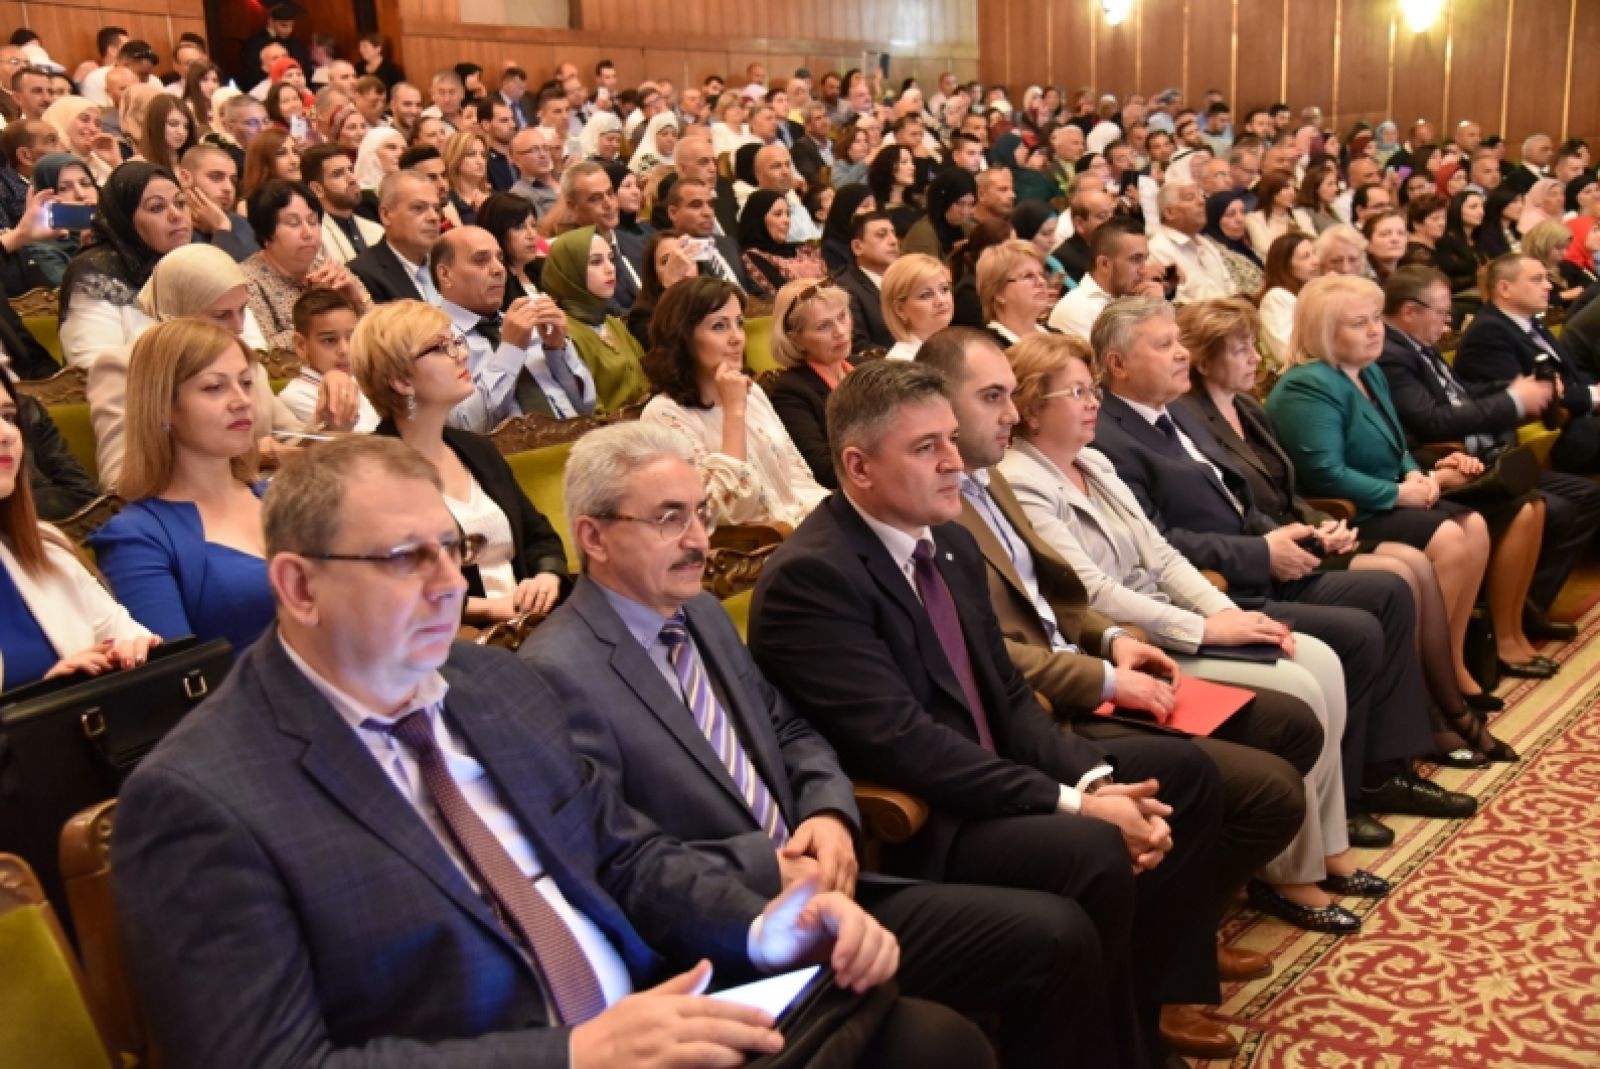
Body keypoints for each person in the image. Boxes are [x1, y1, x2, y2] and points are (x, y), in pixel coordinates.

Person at [113, 432, 984, 1068]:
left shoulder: (492, 684)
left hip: (648, 1016)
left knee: (932, 1038)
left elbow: (627, 857)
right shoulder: (200, 797)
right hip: (539, 1052)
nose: (450, 584)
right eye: (405, 558)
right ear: (300, 585)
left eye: (452, 549)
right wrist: (571, 1053)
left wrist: (761, 925)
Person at [521, 419, 1119, 1067]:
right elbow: (614, 854)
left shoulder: (700, 613)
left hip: (829, 882)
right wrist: (769, 867)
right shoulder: (556, 672)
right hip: (719, 933)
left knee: (1057, 937)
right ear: (593, 536)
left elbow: (791, 728)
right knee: (943, 1042)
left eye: (701, 512)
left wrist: (829, 813)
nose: (699, 540)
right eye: (669, 518)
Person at [748, 356, 1229, 1067]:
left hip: (990, 779)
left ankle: (1142, 1019)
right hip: (926, 819)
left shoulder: (948, 542)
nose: (954, 461)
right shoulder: (813, 577)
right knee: (1094, 847)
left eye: (950, 438)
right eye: (926, 447)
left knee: (1178, 774)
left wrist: (1096, 784)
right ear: (857, 466)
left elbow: (1006, 694)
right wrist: (1080, 806)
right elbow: (908, 744)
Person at [949, 325, 1366, 943]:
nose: (1093, 403)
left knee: (1314, 674)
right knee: (1293, 706)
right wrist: (1178, 634)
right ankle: (1244, 897)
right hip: (1120, 646)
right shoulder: (1015, 479)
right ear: (1036, 410)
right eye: (1077, 392)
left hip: (1124, 638)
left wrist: (1221, 615)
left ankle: (1313, 854)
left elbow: (1153, 557)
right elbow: (1084, 590)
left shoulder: (1084, 463)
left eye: (1093, 390)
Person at [1087, 296, 1478, 841]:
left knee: (1391, 591)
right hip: (1217, 589)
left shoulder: (1175, 412)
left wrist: (1299, 534)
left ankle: (1385, 768)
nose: (1181, 354)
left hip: (1257, 559)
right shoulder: (1109, 437)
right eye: (1164, 345)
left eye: (1179, 341)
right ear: (1117, 365)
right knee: (1363, 624)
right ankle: (1348, 795)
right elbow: (1158, 543)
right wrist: (1262, 552)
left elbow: (1239, 497)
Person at [1266, 274, 1545, 702]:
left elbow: (1397, 445)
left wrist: (1414, 473)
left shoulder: (1369, 372)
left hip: (1385, 499)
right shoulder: (1307, 385)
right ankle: (1423, 679)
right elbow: (1326, 475)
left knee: (1473, 525)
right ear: (1323, 330)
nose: (1375, 330)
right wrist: (1399, 493)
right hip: (1349, 515)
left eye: (1376, 318)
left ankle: (1452, 664)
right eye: (1359, 323)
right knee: (1450, 537)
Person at [1378, 265, 1599, 643]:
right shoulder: (1392, 354)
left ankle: (1524, 607)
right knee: (1550, 505)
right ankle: (1504, 619)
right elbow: (1432, 421)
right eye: (1442, 312)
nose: (1449, 322)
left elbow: (1460, 395)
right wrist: (1514, 399)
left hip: (1480, 453)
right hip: (1444, 462)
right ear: (1410, 311)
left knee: (1583, 497)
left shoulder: (1419, 346)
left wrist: (1512, 389)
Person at [351, 300, 570, 623]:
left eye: (457, 341)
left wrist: (546, 577)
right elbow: (393, 587)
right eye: (441, 348)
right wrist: (488, 609)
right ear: (401, 380)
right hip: (453, 635)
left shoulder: (477, 448)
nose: (461, 354)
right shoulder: (374, 472)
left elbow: (539, 536)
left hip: (530, 620)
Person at [88, 319, 275, 650]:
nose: (242, 401)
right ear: (163, 407)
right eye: (214, 387)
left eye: (246, 383)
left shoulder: (282, 497)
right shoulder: (137, 537)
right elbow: (179, 669)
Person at [0, 365, 156, 690]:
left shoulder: (45, 545)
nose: (7, 434)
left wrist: (131, 654)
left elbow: (128, 637)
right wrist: (44, 698)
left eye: (9, 417)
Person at [641, 277, 826, 527]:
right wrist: (734, 411)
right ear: (683, 337)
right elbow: (724, 509)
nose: (737, 337)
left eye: (738, 323)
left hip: (803, 528)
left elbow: (797, 474)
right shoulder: (664, 415)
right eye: (719, 326)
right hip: (756, 544)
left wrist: (831, 514)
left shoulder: (752, 392)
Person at [1455, 254, 1600, 475]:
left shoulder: (1528, 322)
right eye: (1537, 279)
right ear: (1505, 289)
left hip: (1578, 420)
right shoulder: (1488, 333)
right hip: (1551, 436)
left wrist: (1591, 392)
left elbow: (1570, 376)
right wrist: (1592, 396)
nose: (1548, 286)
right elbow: (1528, 398)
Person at [59, 162, 194, 369]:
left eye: (181, 203)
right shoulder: (95, 275)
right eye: (157, 207)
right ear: (125, 219)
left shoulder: (196, 262)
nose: (176, 215)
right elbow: (93, 368)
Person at [240, 178, 373, 350]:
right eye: (293, 223)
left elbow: (379, 331)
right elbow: (265, 352)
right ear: (266, 233)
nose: (308, 233)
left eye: (313, 221)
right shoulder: (247, 282)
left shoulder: (327, 268)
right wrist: (319, 308)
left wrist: (357, 302)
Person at [768, 278, 854, 488]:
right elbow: (824, 470)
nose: (840, 331)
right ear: (795, 339)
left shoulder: (864, 367)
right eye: (823, 326)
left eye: (842, 316)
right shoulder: (790, 392)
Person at [279, 288, 379, 433]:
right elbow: (363, 441)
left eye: (351, 337)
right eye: (329, 340)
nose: (344, 350)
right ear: (301, 345)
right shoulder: (297, 396)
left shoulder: (362, 380)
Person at [1049, 219, 1163, 340]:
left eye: (1145, 259)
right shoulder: (1075, 308)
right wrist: (1153, 313)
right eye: (1135, 259)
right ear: (1104, 264)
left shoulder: (1136, 299)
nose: (1144, 269)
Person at [348, 169, 444, 305]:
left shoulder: (447, 264)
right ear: (386, 215)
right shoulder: (363, 274)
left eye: (437, 209)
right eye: (418, 208)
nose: (434, 217)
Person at [1149, 180, 1235, 301]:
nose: (1202, 201)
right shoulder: (1158, 249)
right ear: (1169, 213)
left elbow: (1230, 288)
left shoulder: (1206, 244)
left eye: (1201, 195)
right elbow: (1176, 304)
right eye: (1190, 197)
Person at [737, 189, 824, 297]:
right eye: (778, 214)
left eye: (788, 214)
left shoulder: (803, 248)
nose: (787, 220)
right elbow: (784, 296)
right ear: (759, 219)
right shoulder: (754, 256)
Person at [835, 208, 899, 352]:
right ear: (858, 247)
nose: (894, 241)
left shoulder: (905, 279)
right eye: (882, 235)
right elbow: (858, 347)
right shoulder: (845, 288)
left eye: (893, 233)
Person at [1257, 231, 1319, 367]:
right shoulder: (1276, 298)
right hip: (1299, 373)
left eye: (1314, 253)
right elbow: (1284, 353)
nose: (1316, 261)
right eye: (1305, 257)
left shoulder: (1311, 293)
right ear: (1285, 265)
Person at [979, 239, 1056, 347]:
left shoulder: (1058, 337)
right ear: (999, 293)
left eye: (1042, 274)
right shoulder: (988, 347)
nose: (1041, 281)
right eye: (1028, 276)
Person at [477, 191, 548, 306]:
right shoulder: (495, 282)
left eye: (533, 225)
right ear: (497, 232)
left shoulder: (542, 268)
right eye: (519, 227)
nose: (532, 235)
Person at [881, 252, 954, 361]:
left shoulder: (954, 348)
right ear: (900, 310)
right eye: (926, 295)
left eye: (944, 289)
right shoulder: (903, 362)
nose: (941, 300)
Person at [901, 167, 975, 261]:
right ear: (943, 201)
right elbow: (925, 270)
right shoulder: (922, 233)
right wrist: (955, 255)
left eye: (970, 204)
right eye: (959, 203)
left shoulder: (970, 229)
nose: (964, 212)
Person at [42, 95, 120, 183]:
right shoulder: (50, 167)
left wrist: (115, 162)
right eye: (84, 119)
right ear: (63, 121)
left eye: (97, 124)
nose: (93, 129)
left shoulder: (102, 164)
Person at [1203, 190, 1267, 296]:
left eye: (1242, 212)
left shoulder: (1245, 246)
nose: (1240, 219)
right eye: (1231, 214)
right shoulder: (1212, 251)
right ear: (1215, 219)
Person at [1435, 189, 1487, 295]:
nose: (1481, 212)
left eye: (1482, 206)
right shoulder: (1446, 241)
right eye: (1473, 207)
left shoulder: (1479, 238)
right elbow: (1448, 280)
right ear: (1457, 210)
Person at [1361, 209, 1408, 281]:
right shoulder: (1364, 279)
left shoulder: (1408, 273)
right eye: (1385, 234)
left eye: (1401, 233)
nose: (1395, 239)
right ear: (1368, 243)